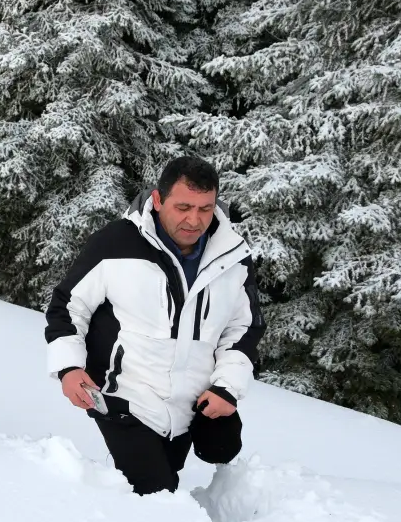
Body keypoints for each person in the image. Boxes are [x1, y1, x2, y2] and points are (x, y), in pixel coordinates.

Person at [44, 156, 265, 495]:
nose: (194, 220)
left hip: (190, 401)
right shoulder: (116, 243)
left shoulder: (233, 257)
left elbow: (244, 328)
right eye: (183, 207)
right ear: (158, 200)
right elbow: (68, 305)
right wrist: (68, 367)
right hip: (124, 395)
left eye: (205, 208)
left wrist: (227, 388)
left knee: (219, 449)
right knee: (157, 492)